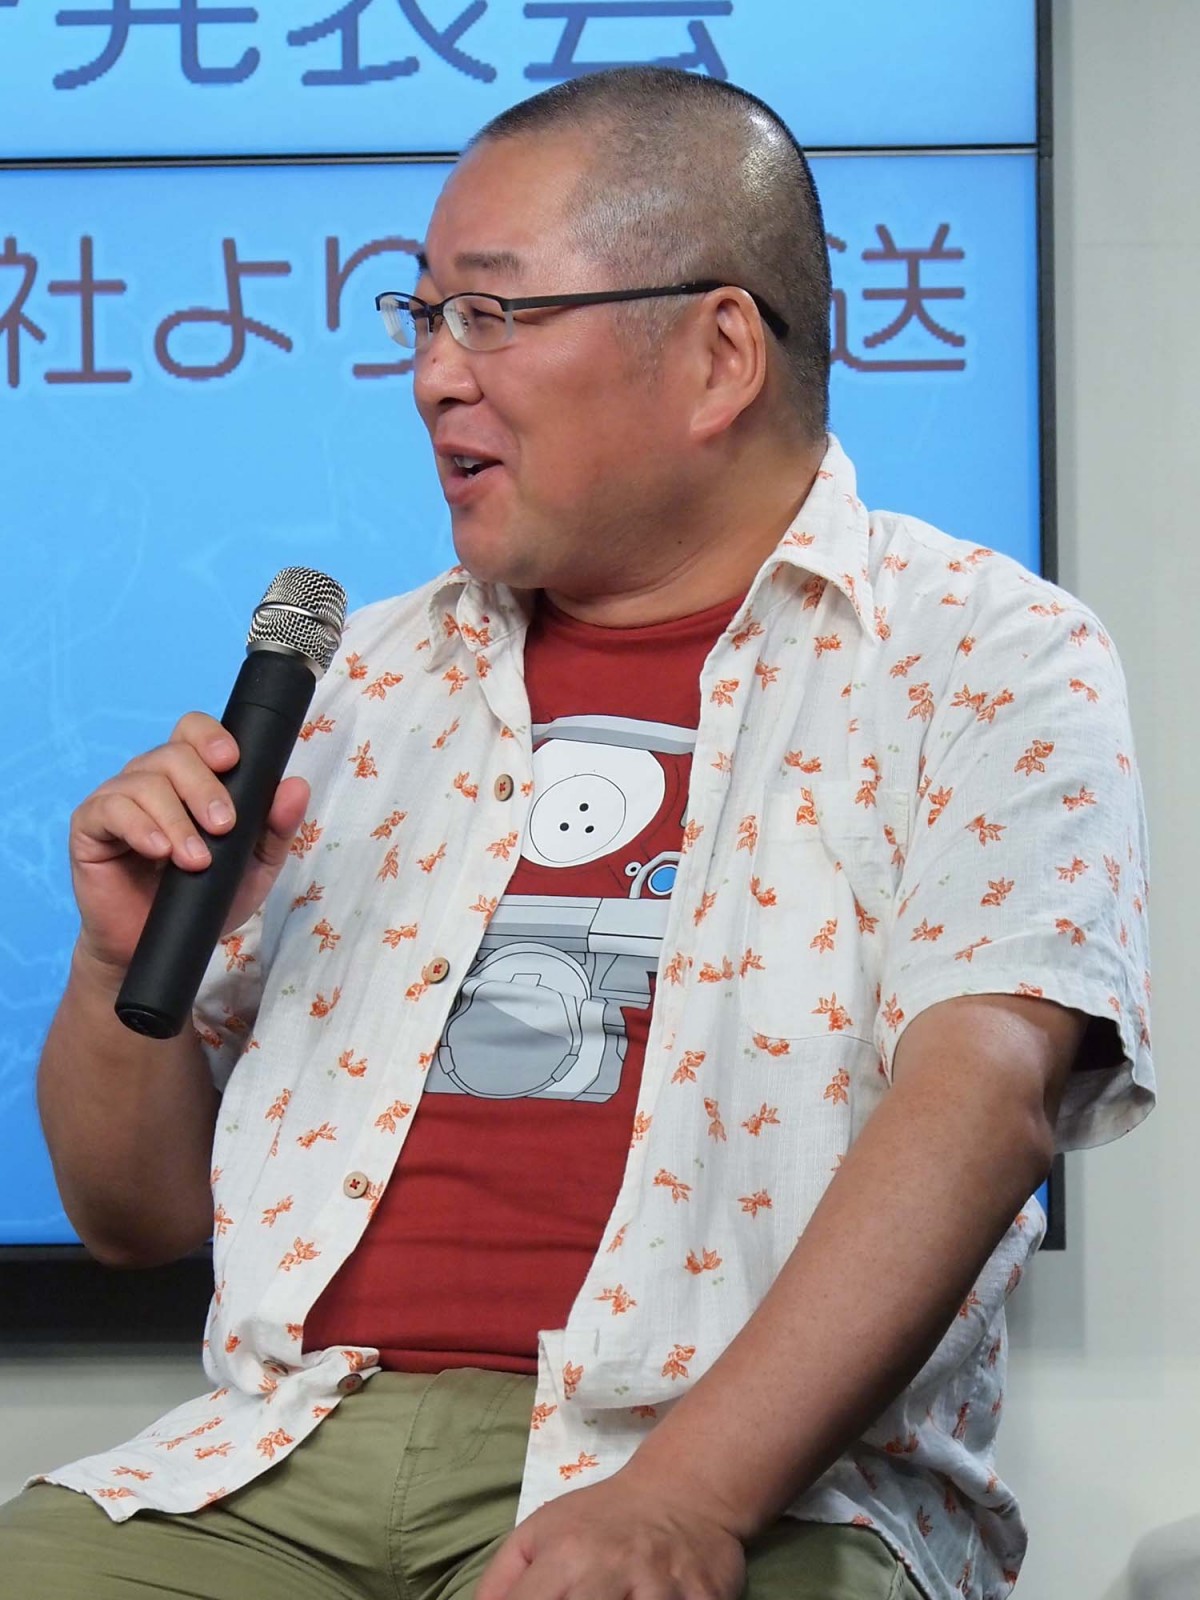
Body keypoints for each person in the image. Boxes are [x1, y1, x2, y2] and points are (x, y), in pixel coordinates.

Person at [0, 66, 1153, 1600]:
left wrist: (685, 1498)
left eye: (492, 314)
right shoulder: (363, 683)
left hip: (739, 1476)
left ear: (719, 353)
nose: (434, 375)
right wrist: (114, 969)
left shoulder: (981, 653)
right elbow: (135, 1217)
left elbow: (985, 1106)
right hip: (277, 1457)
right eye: (423, 317)